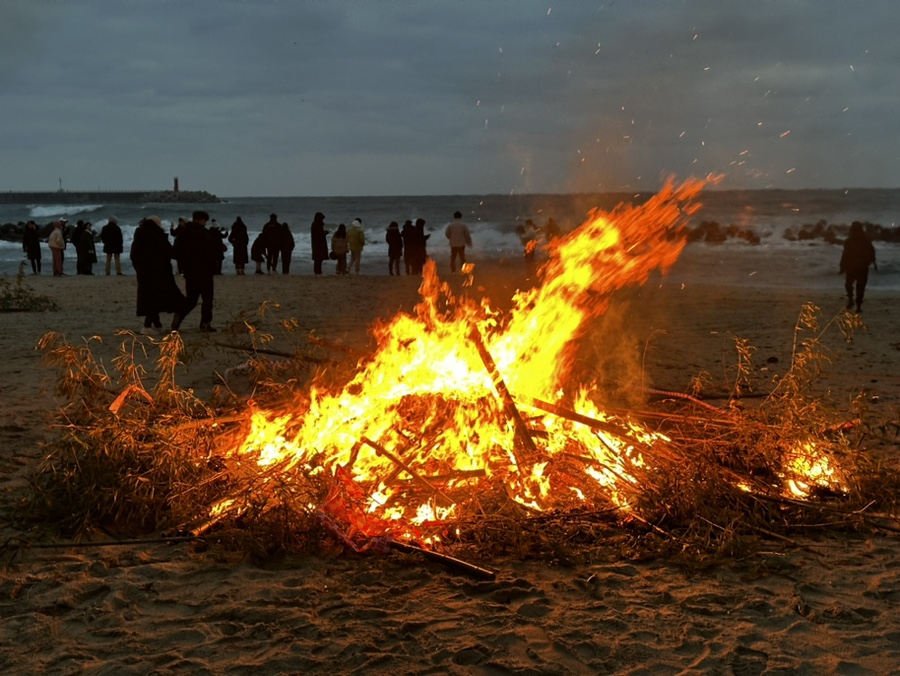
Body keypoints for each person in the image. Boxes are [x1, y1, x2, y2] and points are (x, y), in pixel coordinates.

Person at [130, 216, 186, 335]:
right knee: (159, 299)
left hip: (144, 273)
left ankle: (157, 325)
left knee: (151, 298)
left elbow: (133, 255)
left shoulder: (140, 235)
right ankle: (146, 326)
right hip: (159, 272)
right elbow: (170, 251)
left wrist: (140, 269)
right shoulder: (156, 235)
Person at [172, 210, 217, 332]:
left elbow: (175, 251)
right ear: (203, 220)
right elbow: (211, 251)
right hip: (205, 271)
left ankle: (180, 315)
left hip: (190, 271)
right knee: (207, 299)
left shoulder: (184, 232)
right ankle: (205, 324)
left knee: (191, 300)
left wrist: (184, 263)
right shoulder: (204, 233)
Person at [839, 221, 877, 313]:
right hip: (863, 266)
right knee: (861, 287)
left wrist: (842, 267)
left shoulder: (848, 241)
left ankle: (851, 300)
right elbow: (872, 252)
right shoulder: (867, 239)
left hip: (851, 266)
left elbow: (845, 255)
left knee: (849, 284)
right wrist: (874, 262)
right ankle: (858, 305)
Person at [310, 212, 329, 276]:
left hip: (317, 244)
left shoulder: (316, 224)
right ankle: (318, 272)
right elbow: (319, 235)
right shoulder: (316, 225)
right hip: (318, 244)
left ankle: (318, 271)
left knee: (318, 259)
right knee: (318, 259)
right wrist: (325, 233)